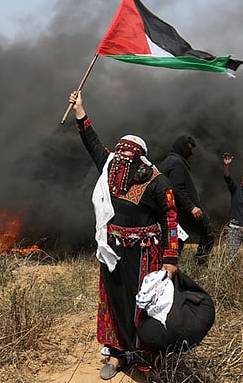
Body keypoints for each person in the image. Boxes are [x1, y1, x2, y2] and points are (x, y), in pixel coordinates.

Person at [68, 91, 179, 380]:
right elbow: (92, 144)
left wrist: (170, 258)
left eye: (128, 153)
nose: (122, 157)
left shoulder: (157, 182)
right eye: (120, 152)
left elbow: (170, 218)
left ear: (141, 157)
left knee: (143, 304)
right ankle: (118, 354)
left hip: (146, 254)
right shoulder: (110, 168)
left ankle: (146, 360)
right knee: (115, 300)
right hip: (113, 251)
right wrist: (80, 111)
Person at [159, 136, 214, 265]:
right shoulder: (176, 162)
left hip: (175, 212)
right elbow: (177, 189)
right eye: (189, 148)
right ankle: (200, 264)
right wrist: (191, 207)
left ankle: (172, 266)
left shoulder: (169, 161)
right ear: (182, 147)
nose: (191, 152)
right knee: (208, 231)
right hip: (182, 211)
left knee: (178, 240)